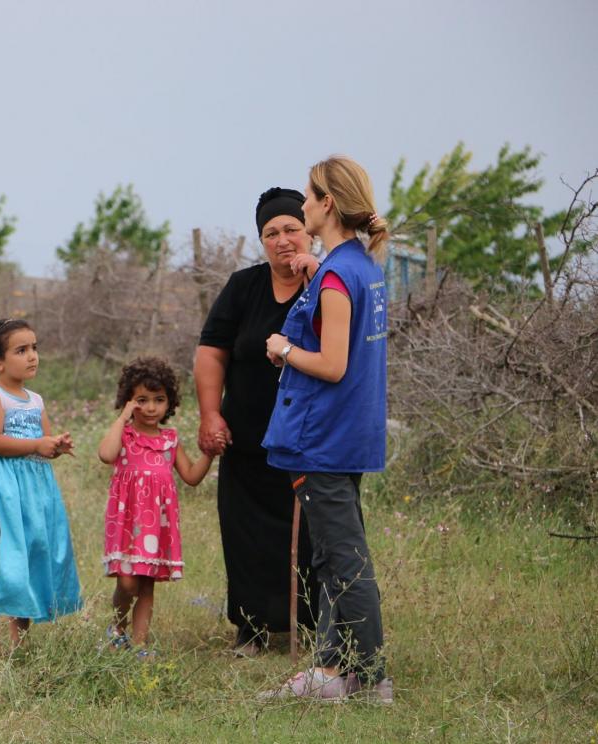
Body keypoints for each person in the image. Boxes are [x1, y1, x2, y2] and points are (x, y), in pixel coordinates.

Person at [260, 156, 393, 703]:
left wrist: (284, 347)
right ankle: (334, 672)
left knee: (345, 560)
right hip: (349, 434)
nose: (303, 207)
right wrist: (318, 275)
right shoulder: (358, 267)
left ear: (327, 203)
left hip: (326, 438)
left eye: (309, 199)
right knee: (330, 555)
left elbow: (334, 364)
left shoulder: (338, 277)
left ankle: (372, 679)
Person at [194, 187, 321, 657]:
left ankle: (307, 624)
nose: (283, 240)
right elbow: (211, 352)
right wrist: (211, 414)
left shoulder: (326, 285)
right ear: (261, 240)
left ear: (309, 231)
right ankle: (251, 628)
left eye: (291, 228)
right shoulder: (243, 287)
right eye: (272, 233)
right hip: (245, 441)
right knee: (243, 534)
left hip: (307, 441)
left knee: (310, 536)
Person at [98, 357, 216, 658]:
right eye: (142, 400)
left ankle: (139, 646)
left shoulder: (170, 440)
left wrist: (210, 455)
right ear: (128, 401)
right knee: (127, 582)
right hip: (127, 521)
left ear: (170, 403)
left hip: (156, 526)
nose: (151, 408)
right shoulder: (124, 435)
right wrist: (123, 418)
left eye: (159, 400)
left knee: (147, 586)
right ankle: (117, 629)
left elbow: (190, 476)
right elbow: (105, 453)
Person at [0, 318, 81, 656]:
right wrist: (36, 446)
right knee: (6, 560)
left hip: (36, 491)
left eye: (34, 348)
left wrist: (56, 445)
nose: (32, 356)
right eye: (21, 350)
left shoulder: (35, 399)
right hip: (7, 489)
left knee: (33, 555)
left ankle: (19, 646)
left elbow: (42, 440)